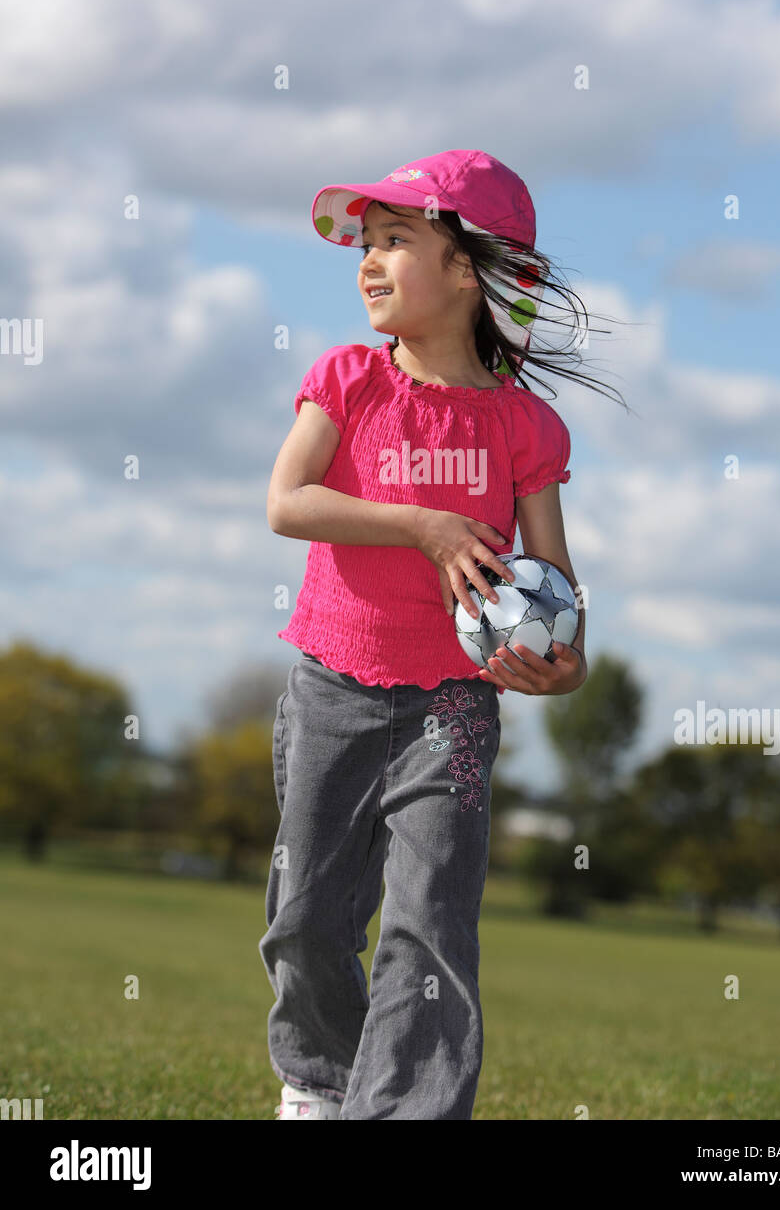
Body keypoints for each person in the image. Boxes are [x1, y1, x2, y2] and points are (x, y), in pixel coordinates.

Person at [258, 148, 625, 1121]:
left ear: (466, 268)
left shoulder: (524, 426)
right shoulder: (344, 380)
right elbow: (287, 503)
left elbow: (553, 579)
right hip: (330, 684)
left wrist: (566, 660)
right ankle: (321, 1083)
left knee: (427, 928)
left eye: (392, 240)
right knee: (305, 919)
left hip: (452, 708)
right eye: (364, 244)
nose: (366, 262)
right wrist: (420, 524)